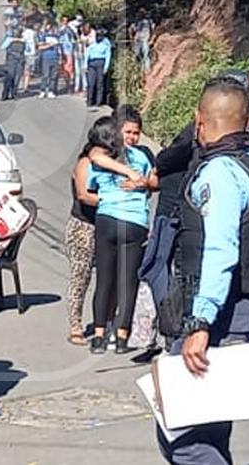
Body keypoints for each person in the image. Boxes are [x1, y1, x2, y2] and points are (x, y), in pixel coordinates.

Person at [156, 78, 249, 465]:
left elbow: (220, 249)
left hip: (218, 318)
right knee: (210, 432)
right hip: (245, 310)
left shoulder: (219, 174)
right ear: (246, 123)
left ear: (199, 120)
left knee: (183, 437)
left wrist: (200, 323)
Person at [88, 107, 155, 354]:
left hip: (107, 218)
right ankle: (122, 338)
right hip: (135, 221)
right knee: (128, 282)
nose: (133, 137)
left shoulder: (102, 157)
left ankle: (98, 336)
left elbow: (91, 186)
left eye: (136, 133)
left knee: (104, 279)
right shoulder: (142, 158)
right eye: (129, 132)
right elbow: (150, 184)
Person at [0, 23, 26, 101]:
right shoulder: (9, 39)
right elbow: (3, 47)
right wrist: (12, 40)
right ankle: (5, 94)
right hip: (11, 60)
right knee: (9, 77)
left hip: (20, 60)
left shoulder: (23, 40)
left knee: (17, 78)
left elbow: (28, 49)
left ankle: (14, 93)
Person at [86, 28, 112, 107]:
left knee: (99, 83)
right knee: (91, 83)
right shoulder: (92, 44)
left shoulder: (106, 44)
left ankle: (98, 102)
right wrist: (85, 65)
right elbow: (87, 53)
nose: (98, 37)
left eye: (100, 36)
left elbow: (108, 56)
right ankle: (90, 101)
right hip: (92, 63)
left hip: (101, 63)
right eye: (97, 36)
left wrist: (106, 67)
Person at [36, 19, 62, 98]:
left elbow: (59, 48)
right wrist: (49, 45)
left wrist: (60, 58)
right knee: (45, 75)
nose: (50, 28)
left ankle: (51, 90)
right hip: (46, 57)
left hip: (55, 57)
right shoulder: (43, 36)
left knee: (54, 75)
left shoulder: (56, 36)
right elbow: (39, 47)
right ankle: (43, 90)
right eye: (48, 26)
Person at [21, 17, 39, 93]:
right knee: (29, 70)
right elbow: (36, 42)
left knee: (25, 69)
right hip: (32, 52)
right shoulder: (34, 33)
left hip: (24, 52)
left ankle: (24, 84)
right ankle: (26, 85)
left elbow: (22, 41)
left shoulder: (24, 32)